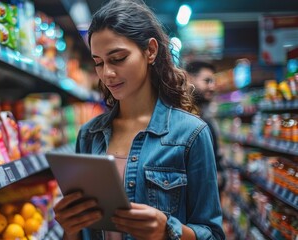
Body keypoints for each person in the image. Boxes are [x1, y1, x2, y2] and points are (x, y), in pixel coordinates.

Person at [53, 1, 225, 239]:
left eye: (118, 58)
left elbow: (212, 234)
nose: (107, 74)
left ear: (151, 51)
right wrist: (70, 228)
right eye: (99, 62)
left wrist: (167, 230)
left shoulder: (191, 134)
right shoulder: (89, 134)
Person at [185, 61, 226, 194]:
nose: (212, 87)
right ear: (190, 79)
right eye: (207, 81)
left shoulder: (205, 120)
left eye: (213, 81)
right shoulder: (183, 118)